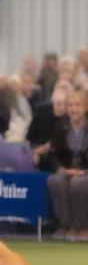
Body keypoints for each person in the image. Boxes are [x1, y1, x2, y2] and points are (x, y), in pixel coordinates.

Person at [46, 89, 88, 242]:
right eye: (70, 105)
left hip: (85, 172)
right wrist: (61, 168)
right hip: (67, 169)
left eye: (77, 105)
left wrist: (83, 172)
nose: (73, 109)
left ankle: (82, 226)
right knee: (55, 180)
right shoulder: (60, 126)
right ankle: (65, 225)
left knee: (79, 185)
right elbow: (53, 153)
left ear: (85, 108)